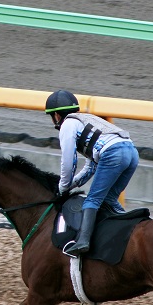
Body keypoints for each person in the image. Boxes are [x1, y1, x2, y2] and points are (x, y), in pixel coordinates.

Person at [44, 89, 140, 257]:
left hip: (113, 153)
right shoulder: (87, 120)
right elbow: (90, 167)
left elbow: (68, 161)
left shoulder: (67, 125)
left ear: (57, 115)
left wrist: (63, 187)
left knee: (92, 200)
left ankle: (83, 241)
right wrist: (71, 184)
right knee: (109, 199)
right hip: (132, 152)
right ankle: (133, 228)